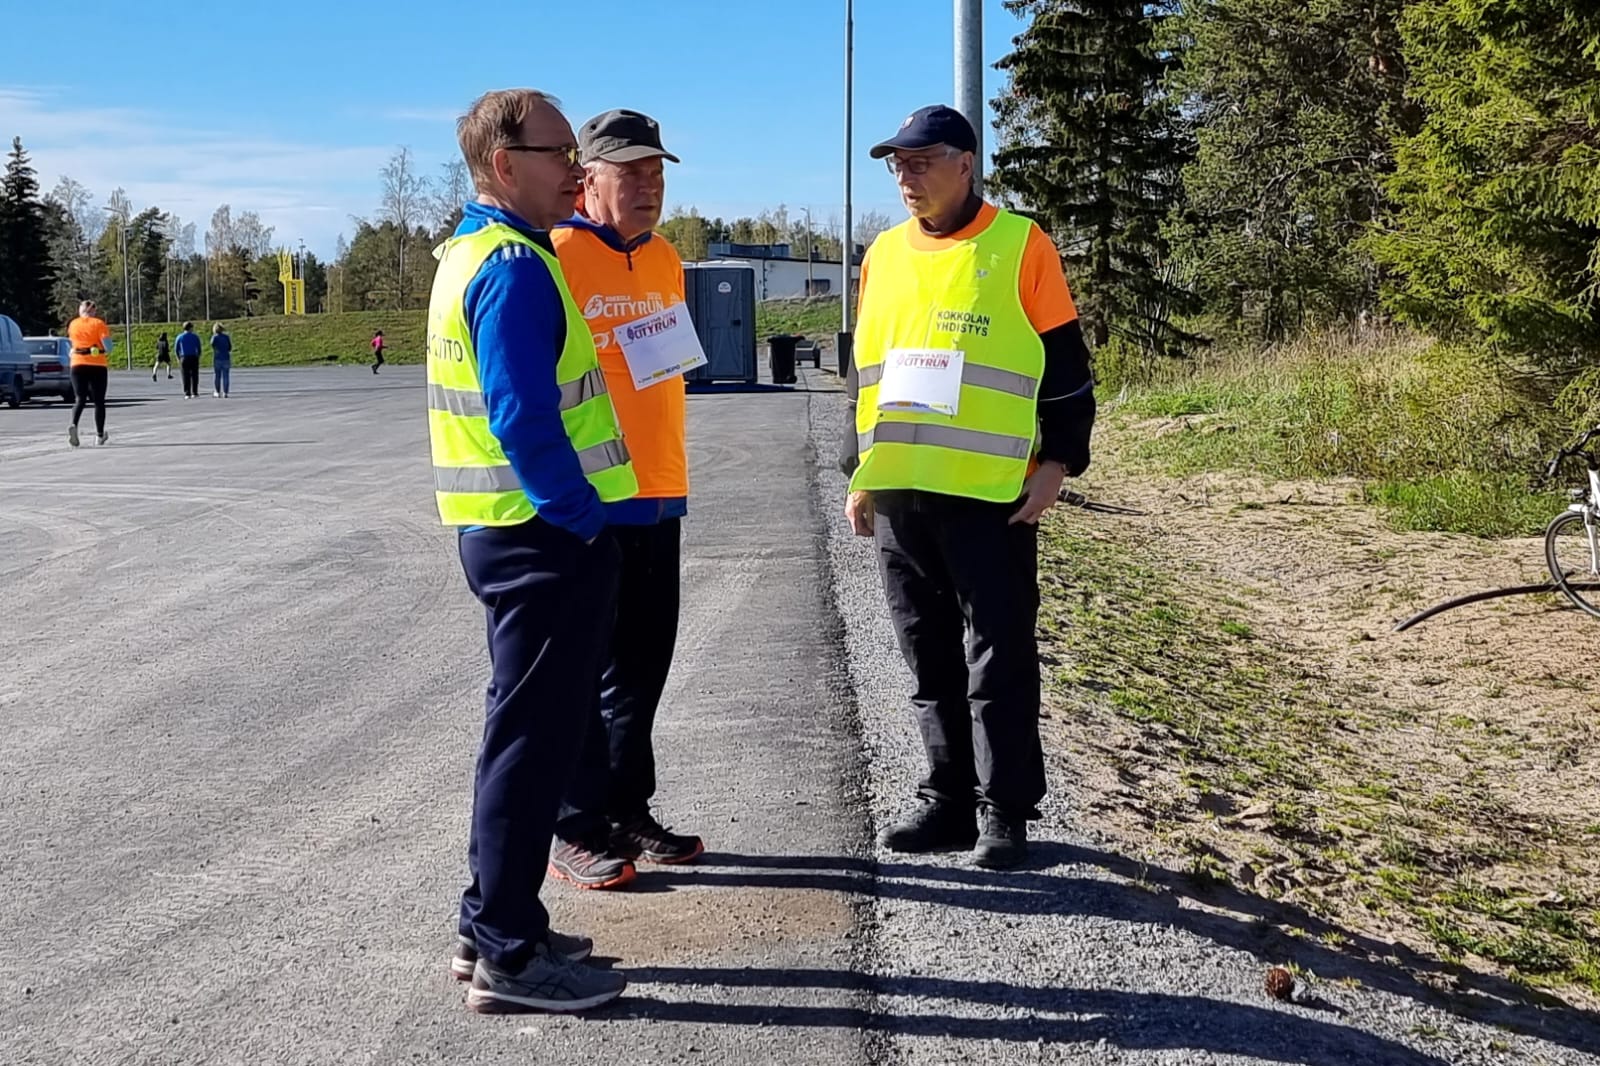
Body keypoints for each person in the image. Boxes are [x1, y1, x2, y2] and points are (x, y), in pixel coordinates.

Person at [841, 105, 1096, 870]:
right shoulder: (882, 255)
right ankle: (946, 800)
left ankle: (1005, 811)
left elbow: (1065, 366)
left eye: (921, 162)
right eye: (897, 165)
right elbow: (867, 376)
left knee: (999, 658)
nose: (906, 176)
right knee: (926, 658)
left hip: (993, 494)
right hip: (901, 494)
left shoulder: (1020, 244)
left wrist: (1059, 463)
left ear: (966, 163)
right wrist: (859, 474)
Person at [429, 87, 637, 1014]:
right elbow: (522, 417)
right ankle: (511, 955)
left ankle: (496, 926)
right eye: (561, 153)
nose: (579, 172)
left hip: (514, 536)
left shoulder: (477, 253)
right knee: (531, 745)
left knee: (524, 740)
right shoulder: (512, 267)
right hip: (542, 537)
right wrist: (582, 517)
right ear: (504, 165)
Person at [546, 108, 703, 891]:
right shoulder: (559, 255)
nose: (648, 187)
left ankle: (627, 806)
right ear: (588, 179)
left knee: (642, 669)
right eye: (631, 173)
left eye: (657, 173)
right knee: (582, 671)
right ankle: (573, 824)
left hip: (660, 494)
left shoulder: (667, 259)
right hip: (592, 501)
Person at [66, 299, 113, 447]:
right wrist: (101, 350)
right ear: (93, 311)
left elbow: (73, 344)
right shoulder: (99, 324)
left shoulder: (73, 324)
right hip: (97, 364)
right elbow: (108, 347)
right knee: (99, 401)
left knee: (80, 398)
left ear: (80, 310)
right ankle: (99, 435)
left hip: (77, 363)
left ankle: (74, 424)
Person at [175, 322, 203, 398]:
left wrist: (178, 358)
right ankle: (195, 392)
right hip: (193, 357)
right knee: (194, 375)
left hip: (184, 357)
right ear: (190, 328)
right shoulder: (195, 337)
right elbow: (199, 348)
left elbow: (177, 349)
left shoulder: (179, 337)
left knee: (185, 375)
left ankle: (187, 393)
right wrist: (198, 356)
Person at [210, 324, 232, 397]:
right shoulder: (226, 337)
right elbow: (229, 347)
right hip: (226, 357)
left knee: (217, 376)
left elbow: (212, 344)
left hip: (217, 357)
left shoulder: (215, 337)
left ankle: (217, 391)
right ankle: (225, 392)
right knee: (226, 376)